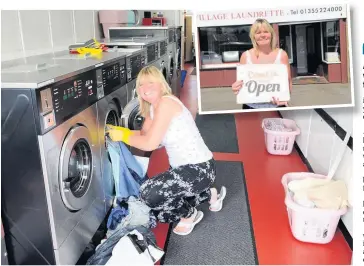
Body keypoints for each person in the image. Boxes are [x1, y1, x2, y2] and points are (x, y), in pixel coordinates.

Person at [106, 65, 226, 236]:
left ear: (161, 85)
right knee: (161, 212)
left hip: (199, 168)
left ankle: (189, 215)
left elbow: (149, 143)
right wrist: (121, 132)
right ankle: (208, 193)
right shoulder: (152, 109)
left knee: (149, 194)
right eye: (140, 85)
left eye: (150, 83)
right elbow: (143, 134)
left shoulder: (166, 102)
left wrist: (123, 137)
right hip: (182, 170)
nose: (144, 89)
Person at [231, 18, 292, 109]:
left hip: (277, 107)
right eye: (258, 32)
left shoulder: (282, 55)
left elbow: (288, 82)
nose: (262, 35)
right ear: (253, 36)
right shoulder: (245, 56)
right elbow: (242, 84)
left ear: (271, 34)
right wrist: (236, 88)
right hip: (251, 107)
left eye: (266, 31)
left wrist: (284, 98)